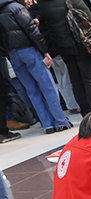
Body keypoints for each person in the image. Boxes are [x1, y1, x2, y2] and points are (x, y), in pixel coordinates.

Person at [0, 0, 72, 133]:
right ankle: (61, 121)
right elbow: (32, 30)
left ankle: (47, 124)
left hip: (13, 54)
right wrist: (45, 50)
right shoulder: (16, 8)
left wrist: (9, 53)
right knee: (47, 86)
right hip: (29, 50)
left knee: (32, 91)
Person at [30, 0, 91, 116]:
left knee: (76, 81)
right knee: (90, 79)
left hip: (63, 46)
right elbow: (87, 14)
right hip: (81, 43)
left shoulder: (43, 4)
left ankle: (86, 111)